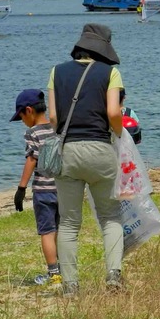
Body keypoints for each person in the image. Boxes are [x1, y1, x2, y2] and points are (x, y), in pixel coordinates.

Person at [48, 24, 125, 296]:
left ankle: (70, 285)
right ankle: (113, 276)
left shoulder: (57, 72)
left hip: (67, 153)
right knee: (110, 216)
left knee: (68, 222)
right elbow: (114, 112)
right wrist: (118, 133)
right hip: (100, 151)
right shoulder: (110, 73)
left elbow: (55, 119)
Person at [10, 89, 60, 287]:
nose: (22, 121)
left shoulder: (32, 133)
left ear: (28, 111)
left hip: (43, 190)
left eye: (21, 116)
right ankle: (66, 269)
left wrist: (21, 188)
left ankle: (54, 273)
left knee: (47, 231)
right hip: (63, 188)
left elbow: (32, 159)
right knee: (63, 229)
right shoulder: (58, 128)